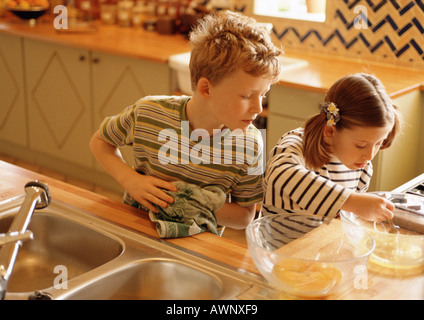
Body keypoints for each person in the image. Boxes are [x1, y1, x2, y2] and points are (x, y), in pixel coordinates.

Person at [89, 10, 282, 230]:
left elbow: (245, 216)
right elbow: (99, 142)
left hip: (198, 247)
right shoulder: (149, 113)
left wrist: (193, 202)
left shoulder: (250, 145)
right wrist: (130, 180)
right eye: (247, 96)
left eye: (263, 95)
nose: (258, 108)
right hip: (137, 230)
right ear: (206, 88)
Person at [262, 73, 401, 222]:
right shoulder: (296, 146)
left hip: (324, 243)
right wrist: (354, 202)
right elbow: (281, 174)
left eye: (378, 143)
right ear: (330, 130)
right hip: (279, 244)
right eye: (361, 145)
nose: (369, 156)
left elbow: (341, 218)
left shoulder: (362, 168)